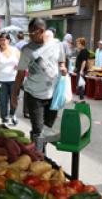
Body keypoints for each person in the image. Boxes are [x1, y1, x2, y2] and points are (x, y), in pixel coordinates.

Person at [11, 18, 67, 151]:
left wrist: (63, 67)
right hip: (34, 95)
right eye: (28, 34)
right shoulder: (27, 50)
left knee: (46, 130)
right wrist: (14, 94)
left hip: (53, 95)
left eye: (32, 34)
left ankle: (38, 151)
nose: (29, 37)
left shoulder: (56, 44)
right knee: (38, 131)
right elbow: (20, 74)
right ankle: (39, 158)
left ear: (41, 31)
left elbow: (61, 60)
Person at [0, 33, 20, 127]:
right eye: (1, 40)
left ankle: (13, 114)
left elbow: (23, 63)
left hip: (14, 80)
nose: (3, 41)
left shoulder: (15, 51)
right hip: (1, 80)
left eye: (5, 39)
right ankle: (4, 119)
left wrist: (19, 67)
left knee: (14, 100)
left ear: (9, 40)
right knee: (3, 101)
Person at [75, 37, 90, 102]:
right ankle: (80, 99)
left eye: (78, 44)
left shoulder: (84, 51)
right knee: (79, 84)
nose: (77, 45)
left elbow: (84, 61)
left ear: (81, 44)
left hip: (82, 70)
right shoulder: (81, 51)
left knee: (81, 84)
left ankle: (81, 99)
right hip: (79, 70)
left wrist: (81, 70)